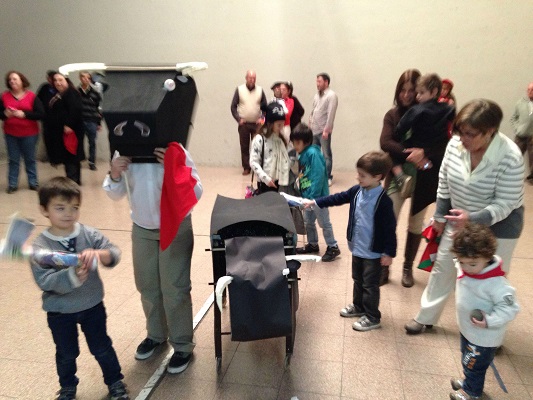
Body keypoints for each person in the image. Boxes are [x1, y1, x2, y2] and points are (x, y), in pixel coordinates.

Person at [405, 99, 525, 335]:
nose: (463, 139)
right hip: (459, 217)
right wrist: (439, 215)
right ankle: (426, 316)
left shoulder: (510, 156)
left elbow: (506, 203)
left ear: (490, 131)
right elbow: (445, 183)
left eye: (470, 134)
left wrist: (472, 218)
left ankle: (489, 333)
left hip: (500, 225)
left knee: (489, 279)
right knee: (443, 268)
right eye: (460, 133)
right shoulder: (455, 146)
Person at [104, 144, 203, 374]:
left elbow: (197, 192)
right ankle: (156, 335)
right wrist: (115, 174)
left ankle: (182, 345)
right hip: (142, 227)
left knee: (174, 287)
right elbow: (115, 193)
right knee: (146, 284)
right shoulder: (125, 150)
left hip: (175, 225)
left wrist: (175, 168)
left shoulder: (176, 149)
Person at [30, 177, 128, 400]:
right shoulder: (40, 246)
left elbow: (113, 251)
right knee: (66, 353)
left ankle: (115, 382)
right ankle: (67, 387)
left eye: (74, 208)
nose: (68, 213)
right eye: (60, 208)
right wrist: (71, 276)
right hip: (59, 311)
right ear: (44, 210)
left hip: (92, 304)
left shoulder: (88, 234)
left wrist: (101, 255)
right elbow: (44, 280)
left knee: (102, 347)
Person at [302, 151, 396, 330]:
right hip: (358, 247)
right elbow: (338, 198)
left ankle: (372, 317)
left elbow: (390, 229)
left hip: (373, 252)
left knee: (370, 285)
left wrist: (389, 252)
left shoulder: (384, 201)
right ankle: (359, 306)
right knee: (358, 279)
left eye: (362, 175)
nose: (357, 177)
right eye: (358, 173)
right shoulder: (357, 191)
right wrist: (316, 202)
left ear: (377, 177)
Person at [380, 70, 452, 288]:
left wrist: (425, 153)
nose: (408, 94)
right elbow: (386, 143)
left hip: (424, 178)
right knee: (387, 220)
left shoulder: (435, 114)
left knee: (415, 224)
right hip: (397, 176)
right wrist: (415, 152)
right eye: (403, 90)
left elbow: (444, 144)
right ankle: (384, 266)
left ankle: (407, 268)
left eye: (413, 90)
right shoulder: (393, 115)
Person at [449, 223, 519, 400]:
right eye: (461, 262)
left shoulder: (497, 284)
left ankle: (472, 393)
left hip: (484, 337)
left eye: (472, 264)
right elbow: (459, 260)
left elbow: (510, 309)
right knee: (468, 359)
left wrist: (489, 320)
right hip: (469, 330)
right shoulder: (468, 264)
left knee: (474, 365)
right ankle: (469, 382)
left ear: (487, 257)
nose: (466, 268)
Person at [391, 73, 455, 199]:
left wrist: (398, 135)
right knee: (431, 164)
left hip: (417, 143)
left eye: (421, 93)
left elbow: (401, 127)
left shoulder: (417, 109)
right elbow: (453, 125)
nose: (418, 96)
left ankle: (400, 177)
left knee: (392, 153)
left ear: (434, 91)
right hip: (435, 148)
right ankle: (425, 165)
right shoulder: (448, 108)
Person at [291, 123, 340, 262]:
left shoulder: (314, 153)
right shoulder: (302, 154)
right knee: (308, 222)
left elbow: (318, 175)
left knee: (324, 222)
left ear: (306, 142)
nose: (295, 146)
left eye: (298, 143)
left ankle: (333, 246)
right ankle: (313, 244)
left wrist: (314, 196)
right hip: (308, 198)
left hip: (318, 197)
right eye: (294, 143)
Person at [1, 70, 44, 193]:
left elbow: (40, 114)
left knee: (29, 159)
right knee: (13, 159)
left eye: (15, 79)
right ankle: (12, 184)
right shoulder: (4, 96)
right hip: (11, 133)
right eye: (10, 80)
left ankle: (33, 182)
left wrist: (24, 114)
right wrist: (5, 114)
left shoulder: (31, 96)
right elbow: (1, 115)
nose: (12, 81)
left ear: (22, 81)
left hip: (29, 134)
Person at [47, 73, 85, 185]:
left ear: (66, 81)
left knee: (70, 156)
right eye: (56, 80)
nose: (58, 83)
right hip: (64, 130)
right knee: (71, 156)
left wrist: (69, 125)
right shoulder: (60, 94)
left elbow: (75, 110)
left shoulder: (71, 93)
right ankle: (75, 180)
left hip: (71, 131)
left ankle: (71, 181)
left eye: (61, 80)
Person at [230, 70, 267, 176]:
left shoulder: (260, 90)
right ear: (246, 78)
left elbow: (265, 107)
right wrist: (238, 119)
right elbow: (233, 106)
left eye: (254, 78)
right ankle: (246, 167)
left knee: (258, 147)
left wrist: (262, 118)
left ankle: (257, 167)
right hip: (244, 124)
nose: (252, 80)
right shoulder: (239, 90)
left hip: (257, 125)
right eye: (250, 78)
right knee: (244, 146)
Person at [249, 102, 290, 193]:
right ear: (270, 123)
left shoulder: (280, 140)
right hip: (265, 182)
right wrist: (266, 179)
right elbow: (253, 162)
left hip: (279, 182)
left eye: (282, 124)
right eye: (278, 125)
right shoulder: (260, 139)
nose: (281, 127)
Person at [309, 73, 338, 186]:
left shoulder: (331, 96)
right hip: (314, 129)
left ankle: (327, 177)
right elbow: (313, 110)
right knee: (314, 154)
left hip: (323, 131)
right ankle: (316, 175)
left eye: (319, 82)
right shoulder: (317, 95)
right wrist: (310, 122)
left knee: (326, 154)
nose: (317, 84)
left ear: (326, 82)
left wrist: (327, 130)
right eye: (317, 82)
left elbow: (331, 114)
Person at [78, 71, 102, 171]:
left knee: (92, 142)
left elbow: (98, 108)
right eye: (83, 77)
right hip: (79, 121)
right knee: (78, 142)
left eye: (88, 77)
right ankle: (78, 161)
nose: (86, 79)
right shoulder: (76, 92)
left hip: (91, 120)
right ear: (80, 78)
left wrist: (99, 122)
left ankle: (92, 162)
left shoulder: (95, 93)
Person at [510, 81, 533, 180]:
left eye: (532, 90)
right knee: (514, 156)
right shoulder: (520, 103)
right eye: (529, 89)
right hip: (520, 136)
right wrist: (517, 129)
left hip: (532, 137)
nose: (530, 91)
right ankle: (510, 175)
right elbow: (513, 118)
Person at [37, 70, 58, 162]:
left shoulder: (59, 88)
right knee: (47, 137)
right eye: (48, 78)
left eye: (52, 78)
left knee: (57, 136)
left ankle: (57, 156)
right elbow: (37, 99)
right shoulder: (44, 87)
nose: (50, 80)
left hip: (57, 117)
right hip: (46, 117)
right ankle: (49, 156)